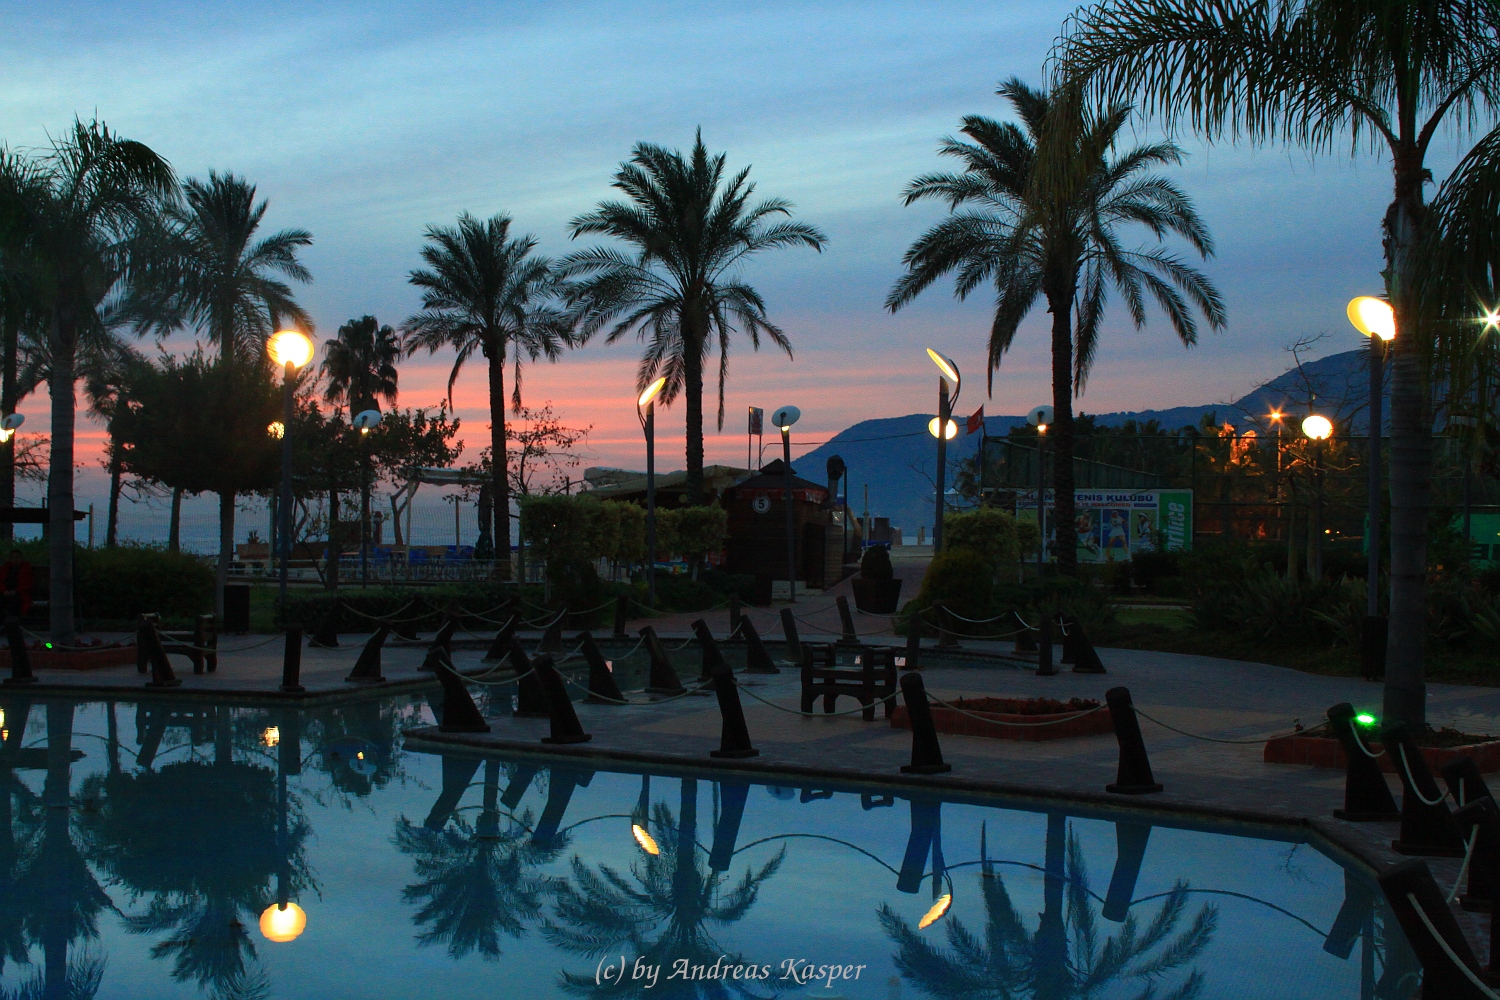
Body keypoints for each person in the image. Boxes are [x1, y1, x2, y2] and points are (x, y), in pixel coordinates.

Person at [1, 549, 32, 622]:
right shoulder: (5, 569)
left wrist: (15, 591)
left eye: (17, 557)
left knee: (14, 602)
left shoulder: (26, 569)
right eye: (13, 557)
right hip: (5, 592)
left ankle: (14, 624)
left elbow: (28, 584)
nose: (15, 559)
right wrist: (4, 591)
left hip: (20, 594)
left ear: (21, 558)